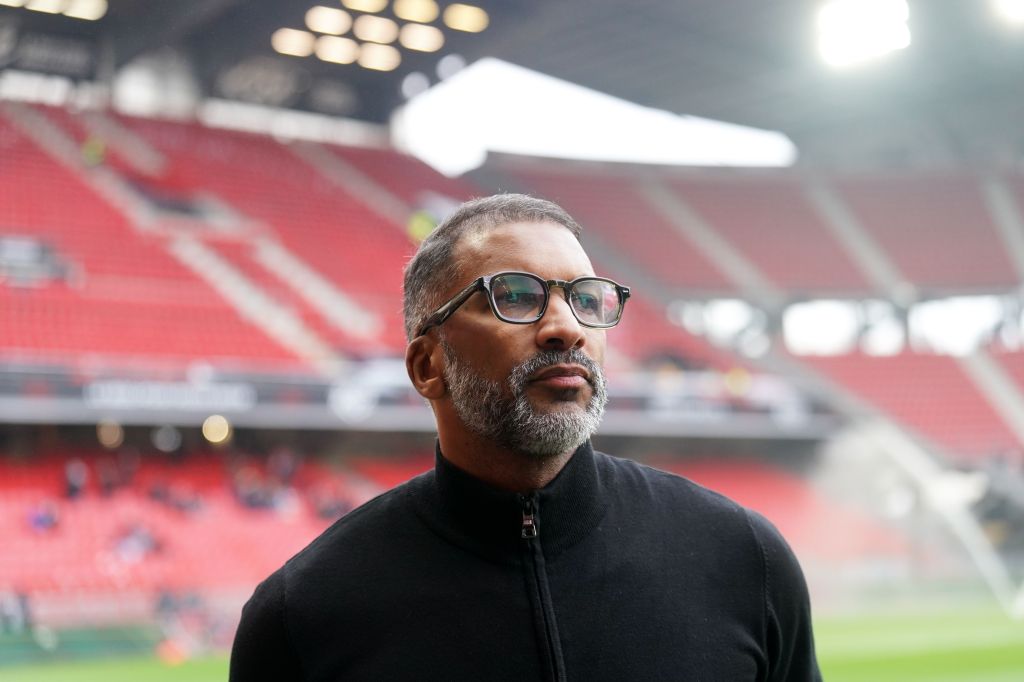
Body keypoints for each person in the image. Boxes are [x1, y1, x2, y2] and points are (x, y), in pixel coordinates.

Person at [230, 194, 821, 681]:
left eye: (588, 299)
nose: (566, 327)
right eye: (514, 296)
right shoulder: (303, 616)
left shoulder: (744, 557)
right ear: (427, 366)